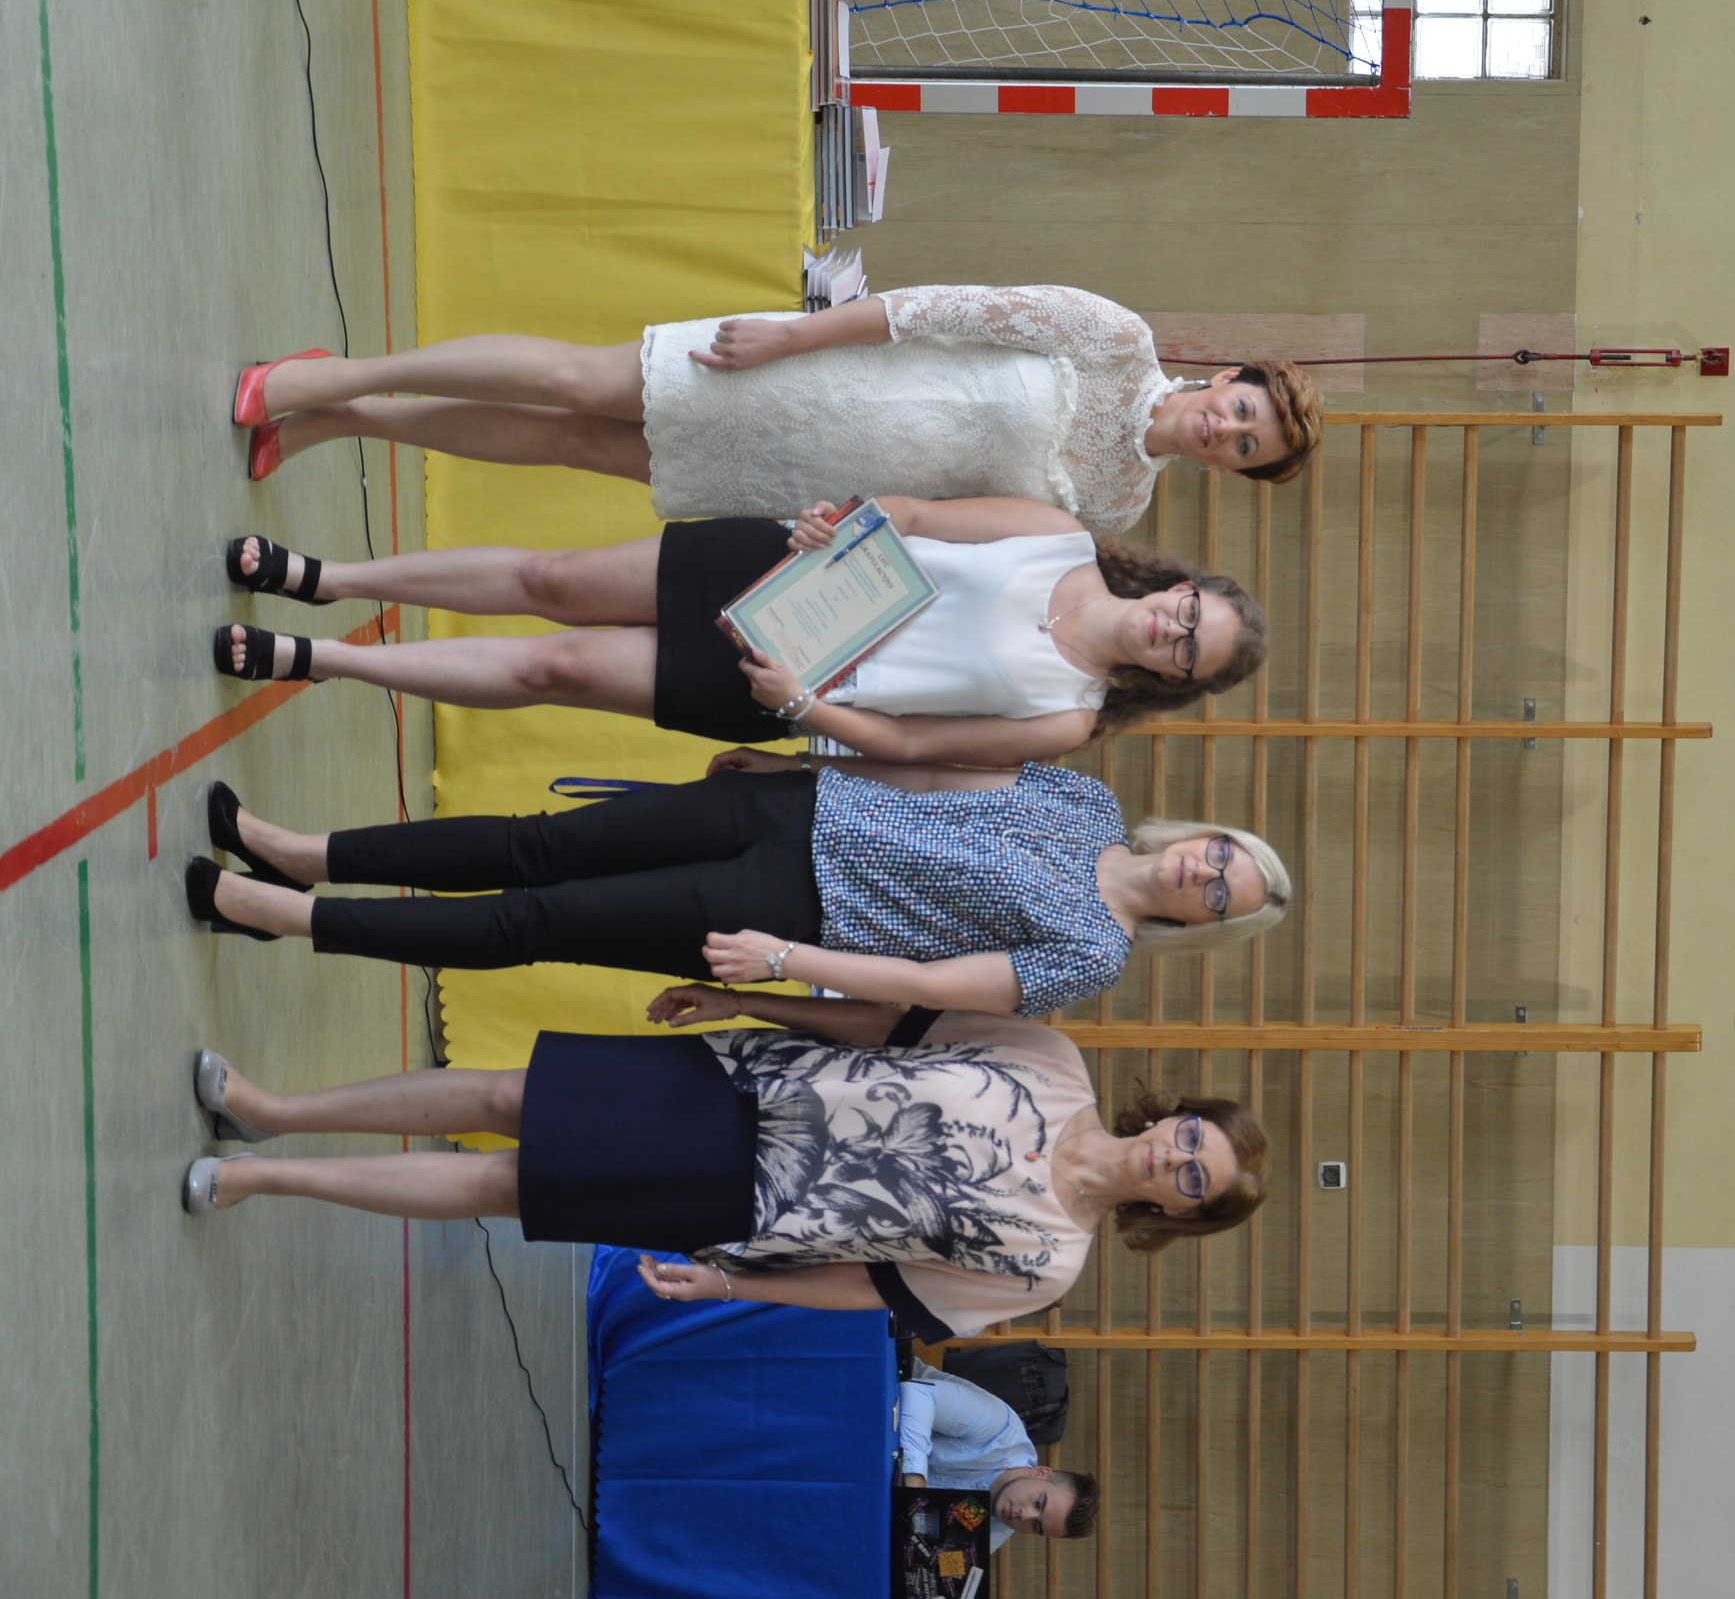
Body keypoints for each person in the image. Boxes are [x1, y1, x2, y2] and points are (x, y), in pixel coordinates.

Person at [180, 991, 1268, 1344]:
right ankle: (274, 1113)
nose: (1172, 1158)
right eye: (1190, 1139)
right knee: (507, 1096)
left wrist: (728, 1285)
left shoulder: (1046, 1265)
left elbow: (874, 1289)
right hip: (740, 1084)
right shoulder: (1053, 1058)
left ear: (1180, 1215)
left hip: (742, 1201)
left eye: (1192, 1180)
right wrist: (751, 997)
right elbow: (886, 1025)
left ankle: (266, 1182)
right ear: (1174, 1116)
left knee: (498, 1186)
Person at [185, 753, 1290, 1016]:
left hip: (792, 915)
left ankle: (292, 917)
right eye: (1220, 857)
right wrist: (803, 760)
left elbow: (933, 988)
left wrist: (784, 963)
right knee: (537, 844)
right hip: (796, 809)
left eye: (1219, 897)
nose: (1202, 875)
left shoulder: (1092, 955)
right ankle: (304, 852)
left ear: (1205, 926)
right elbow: (937, 771)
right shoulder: (1088, 800)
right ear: (1206, 835)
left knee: (537, 922)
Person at [210, 495, 1263, 762]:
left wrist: (802, 708)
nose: (1171, 630)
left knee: (552, 667)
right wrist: (836, 524)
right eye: (1189, 612)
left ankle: (323, 660)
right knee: (550, 577)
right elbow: (916, 515)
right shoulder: (1055, 536)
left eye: (1188, 650)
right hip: (781, 570)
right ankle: (327, 579)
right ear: (1181, 585)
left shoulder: (1067, 717)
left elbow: (906, 747)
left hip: (780, 678)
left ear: (1175, 681)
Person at [232, 286, 1326, 530]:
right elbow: (939, 307)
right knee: (572, 381)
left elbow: (959, 525)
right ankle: (334, 377)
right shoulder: (1117, 338)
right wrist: (793, 334)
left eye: (1248, 449)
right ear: (1226, 379)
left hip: (800, 479)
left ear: (1233, 470)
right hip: (803, 372)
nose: (1229, 432)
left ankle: (344, 425)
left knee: (566, 443)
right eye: (1244, 410)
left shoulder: (1118, 504)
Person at [897, 1362, 1100, 1545]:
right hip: (886, 1381)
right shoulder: (1000, 1429)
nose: (1025, 1516)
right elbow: (916, 1394)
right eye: (1038, 1503)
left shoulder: (989, 1533)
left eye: (1036, 1526)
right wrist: (915, 1491)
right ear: (1041, 1473)